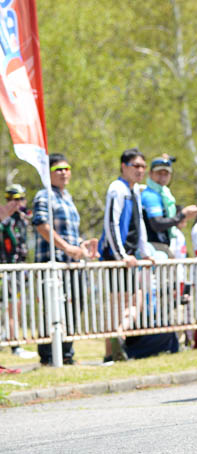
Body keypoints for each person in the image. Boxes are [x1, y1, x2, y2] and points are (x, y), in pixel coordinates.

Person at [32, 153, 98, 365]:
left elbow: (70, 232)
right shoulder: (44, 195)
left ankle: (67, 352)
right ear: (48, 173)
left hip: (72, 264)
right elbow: (42, 226)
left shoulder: (67, 197)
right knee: (52, 308)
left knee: (75, 305)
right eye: (58, 169)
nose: (63, 173)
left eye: (66, 168)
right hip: (53, 263)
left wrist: (81, 245)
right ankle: (49, 355)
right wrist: (67, 248)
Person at [98, 148, 154, 360]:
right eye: (135, 166)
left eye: (142, 166)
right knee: (118, 303)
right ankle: (111, 350)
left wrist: (144, 252)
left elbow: (139, 222)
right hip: (116, 256)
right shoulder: (117, 188)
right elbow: (111, 223)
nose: (140, 170)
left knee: (134, 300)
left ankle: (117, 339)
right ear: (124, 166)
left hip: (130, 255)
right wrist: (120, 255)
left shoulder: (135, 190)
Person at [0, 184, 36, 359]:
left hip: (21, 269)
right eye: (14, 199)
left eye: (21, 199)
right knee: (11, 307)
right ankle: (15, 345)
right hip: (7, 269)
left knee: (17, 307)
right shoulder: (5, 220)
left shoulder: (24, 218)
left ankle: (9, 338)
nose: (18, 203)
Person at [140, 155, 197, 257]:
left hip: (161, 246)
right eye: (159, 173)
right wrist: (182, 215)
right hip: (152, 249)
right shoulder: (151, 195)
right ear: (150, 174)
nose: (163, 177)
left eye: (166, 174)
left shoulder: (164, 194)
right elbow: (157, 224)